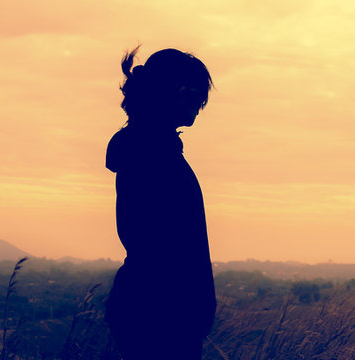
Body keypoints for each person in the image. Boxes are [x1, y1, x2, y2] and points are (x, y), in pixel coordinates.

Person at [104, 46, 216, 359]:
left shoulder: (150, 150)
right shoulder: (154, 157)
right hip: (161, 319)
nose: (200, 104)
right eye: (196, 94)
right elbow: (164, 251)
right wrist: (188, 317)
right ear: (176, 93)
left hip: (154, 314)